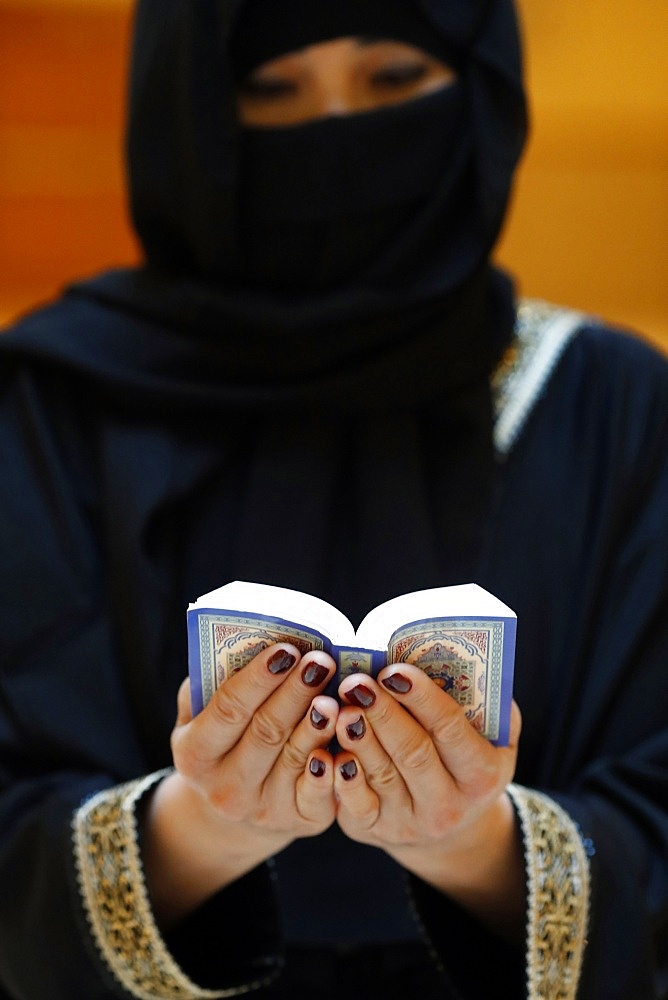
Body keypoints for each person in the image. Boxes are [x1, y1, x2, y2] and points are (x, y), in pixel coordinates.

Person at [0, 0, 667, 997]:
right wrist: (198, 830)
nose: (337, 128)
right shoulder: (54, 403)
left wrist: (473, 842)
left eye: (394, 80)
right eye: (271, 91)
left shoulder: (606, 399)